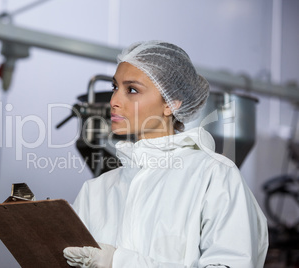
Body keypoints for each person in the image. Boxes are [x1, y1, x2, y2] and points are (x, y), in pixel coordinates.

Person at [63, 40, 268, 268]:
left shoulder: (214, 176)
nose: (114, 101)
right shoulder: (96, 191)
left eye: (132, 90)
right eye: (114, 87)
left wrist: (119, 262)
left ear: (171, 103)